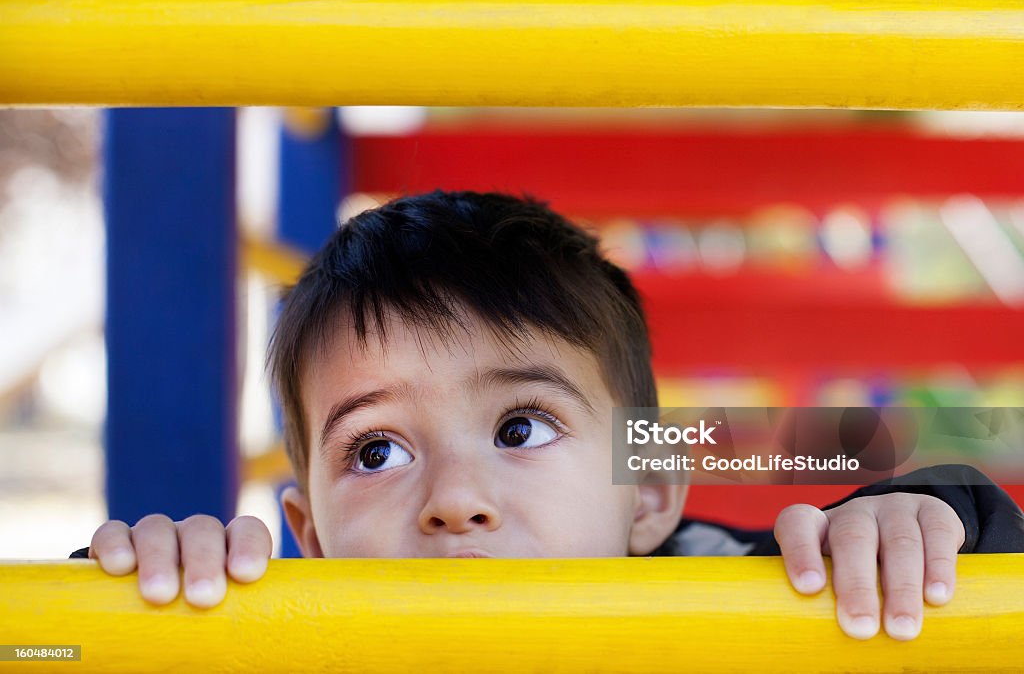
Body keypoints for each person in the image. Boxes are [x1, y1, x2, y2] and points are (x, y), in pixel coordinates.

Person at [72, 191, 1024, 642]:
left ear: (646, 488)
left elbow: (973, 544)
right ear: (309, 536)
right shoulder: (279, 635)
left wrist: (910, 527)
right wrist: (133, 600)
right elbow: (50, 645)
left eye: (521, 426)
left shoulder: (748, 602)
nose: (455, 501)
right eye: (376, 447)